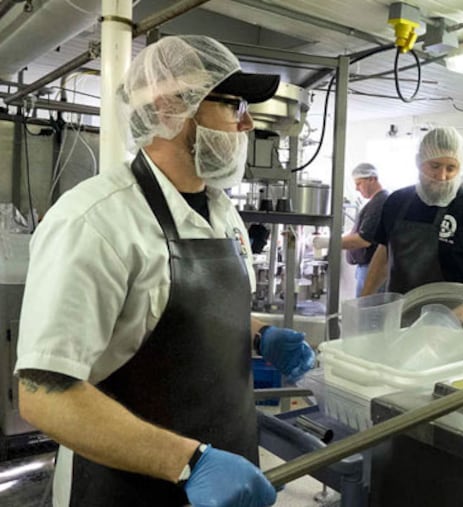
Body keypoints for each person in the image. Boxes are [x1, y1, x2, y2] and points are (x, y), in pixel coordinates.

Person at [14, 35, 315, 507]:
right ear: (174, 108)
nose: (249, 123)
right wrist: (190, 462)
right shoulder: (95, 221)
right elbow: (43, 394)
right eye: (233, 105)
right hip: (126, 489)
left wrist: (258, 334)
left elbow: (185, 318)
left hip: (227, 473)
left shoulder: (222, 211)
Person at [361, 127, 463, 319]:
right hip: (396, 316)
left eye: (451, 168)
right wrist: (364, 301)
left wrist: (455, 317)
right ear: (419, 163)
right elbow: (384, 254)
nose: (442, 176)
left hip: (444, 323)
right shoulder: (396, 202)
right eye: (435, 166)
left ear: (461, 167)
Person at [314, 163, 388, 296]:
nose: (356, 188)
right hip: (365, 267)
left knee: (367, 310)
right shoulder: (374, 202)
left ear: (372, 179)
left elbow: (364, 240)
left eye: (359, 183)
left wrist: (326, 242)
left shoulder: (380, 202)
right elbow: (363, 231)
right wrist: (343, 235)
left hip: (372, 267)